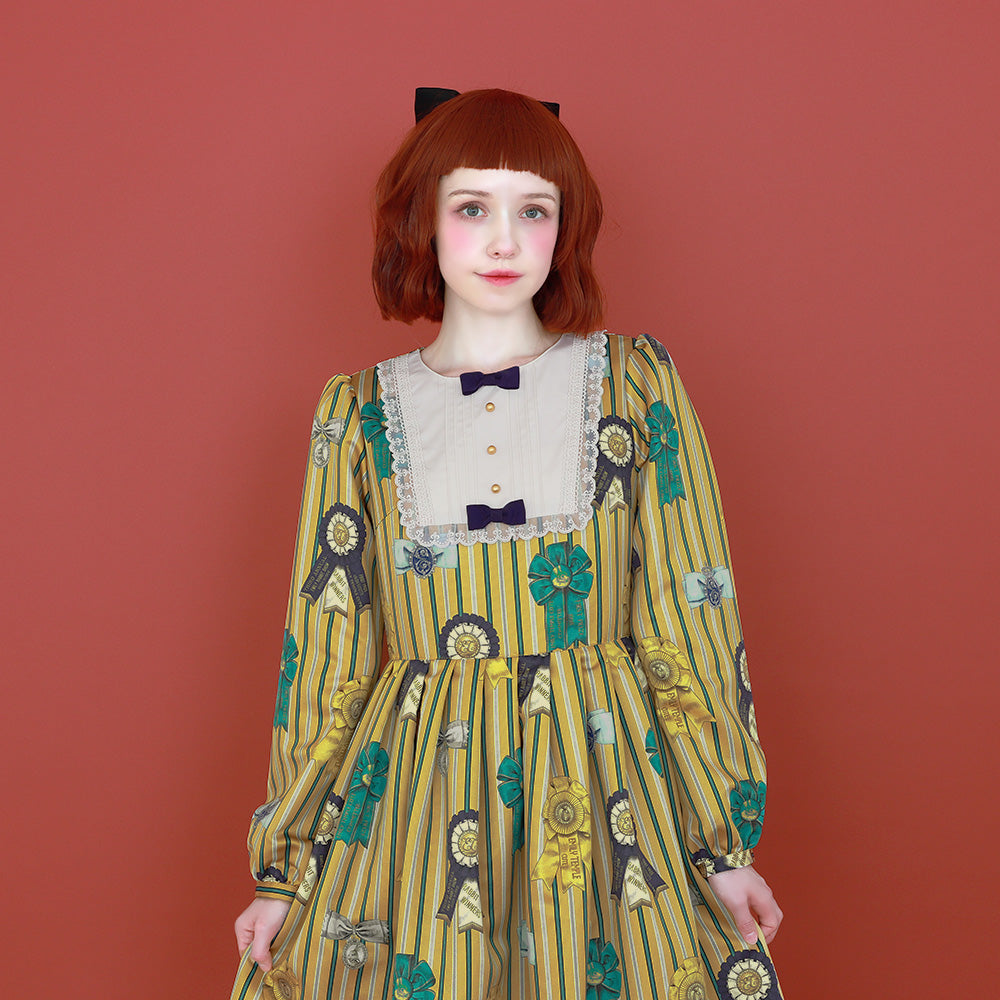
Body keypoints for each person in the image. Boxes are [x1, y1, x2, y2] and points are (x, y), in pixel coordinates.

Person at [232, 87, 783, 1000]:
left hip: (606, 788)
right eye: (471, 208)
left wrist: (722, 843)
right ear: (422, 219)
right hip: (420, 800)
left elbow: (690, 616)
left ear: (565, 229)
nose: (503, 241)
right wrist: (283, 872)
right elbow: (325, 654)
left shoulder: (634, 386)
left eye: (534, 211)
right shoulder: (356, 414)